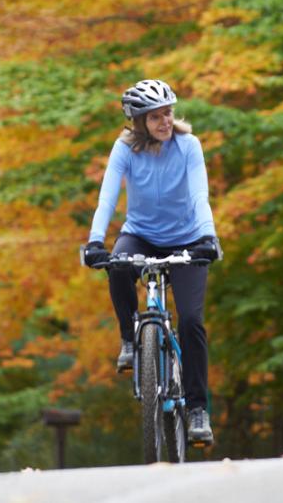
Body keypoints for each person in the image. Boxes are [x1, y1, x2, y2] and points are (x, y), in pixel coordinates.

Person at [82, 78, 221, 445]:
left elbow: (199, 196)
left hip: (189, 237)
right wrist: (95, 240)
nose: (164, 122)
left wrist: (208, 237)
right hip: (141, 233)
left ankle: (196, 410)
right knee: (117, 263)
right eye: (155, 116)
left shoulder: (188, 146)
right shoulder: (124, 149)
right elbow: (107, 198)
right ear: (138, 121)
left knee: (191, 321)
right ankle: (130, 339)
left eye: (168, 114)